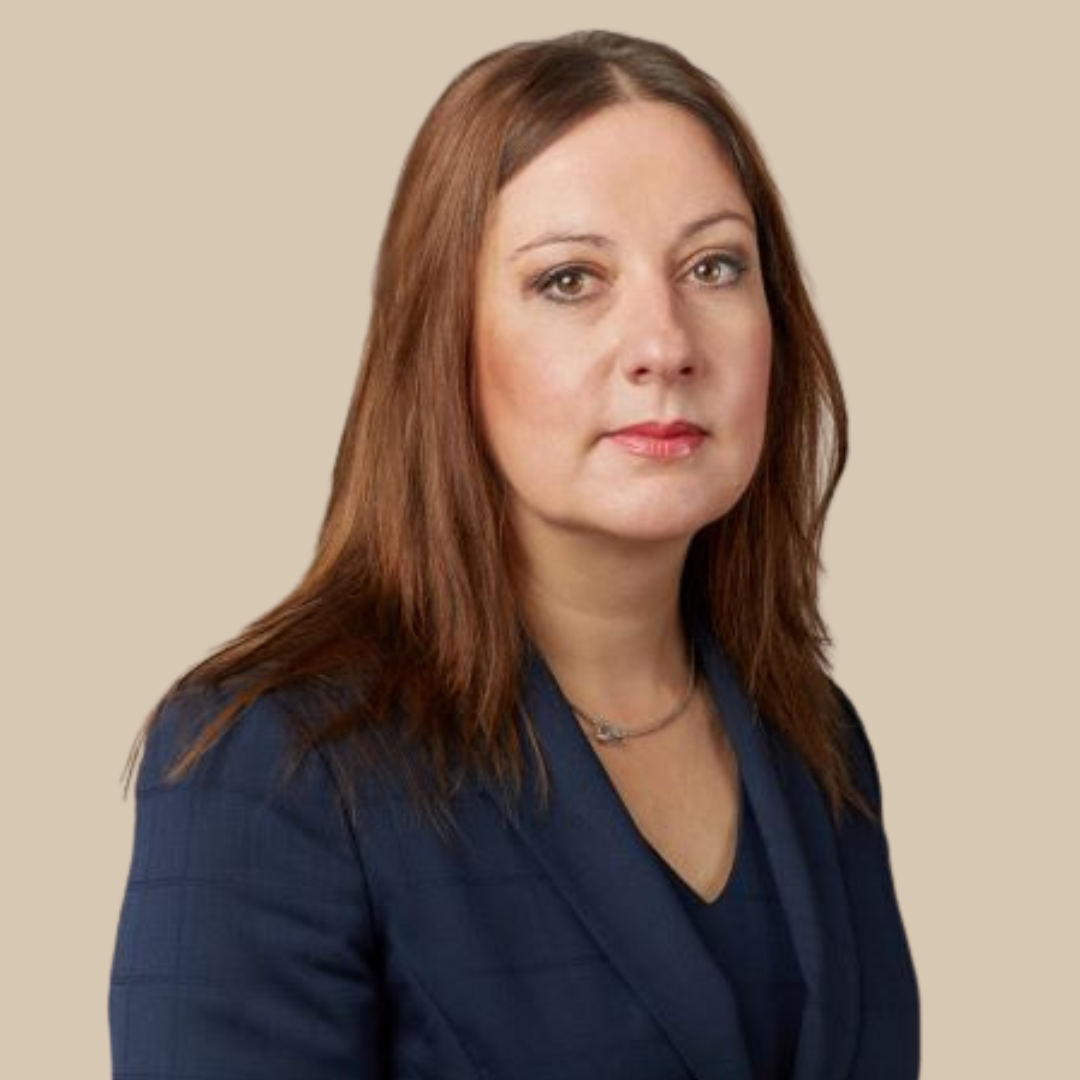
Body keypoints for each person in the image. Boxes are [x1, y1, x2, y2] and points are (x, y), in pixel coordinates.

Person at [108, 28, 920, 1080]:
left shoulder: (819, 745)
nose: (665, 343)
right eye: (571, 280)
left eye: (714, 265)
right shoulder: (275, 764)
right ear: (445, 341)